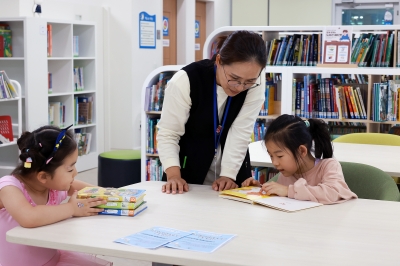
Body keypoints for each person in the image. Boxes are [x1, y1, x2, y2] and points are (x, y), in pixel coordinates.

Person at [157, 30, 266, 194]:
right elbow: (169, 133)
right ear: (219, 60)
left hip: (233, 174)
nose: (240, 87)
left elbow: (241, 131)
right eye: (234, 79)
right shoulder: (186, 80)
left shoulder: (256, 80)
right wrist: (173, 176)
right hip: (187, 175)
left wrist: (228, 175)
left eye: (248, 82)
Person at [0, 125, 112, 265]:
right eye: (70, 169)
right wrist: (72, 208)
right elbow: (29, 217)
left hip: (54, 260)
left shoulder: (52, 186)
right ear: (43, 177)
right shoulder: (9, 187)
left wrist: (107, 193)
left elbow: (75, 186)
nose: (75, 173)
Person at [242, 114, 357, 204]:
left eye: (280, 156)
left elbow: (333, 193)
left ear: (302, 151)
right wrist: (260, 189)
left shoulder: (328, 166)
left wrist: (288, 191)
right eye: (271, 155)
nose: (275, 162)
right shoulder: (286, 172)